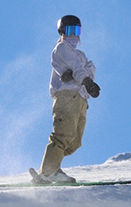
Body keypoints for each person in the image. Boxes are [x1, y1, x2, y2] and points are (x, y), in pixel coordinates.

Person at [31, 15, 100, 185]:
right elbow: (79, 69)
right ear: (62, 31)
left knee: (75, 141)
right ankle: (48, 172)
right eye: (69, 30)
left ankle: (52, 167)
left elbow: (90, 68)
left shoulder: (80, 54)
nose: (73, 35)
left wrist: (85, 79)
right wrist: (86, 80)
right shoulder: (61, 48)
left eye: (76, 31)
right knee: (63, 135)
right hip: (67, 96)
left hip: (81, 99)